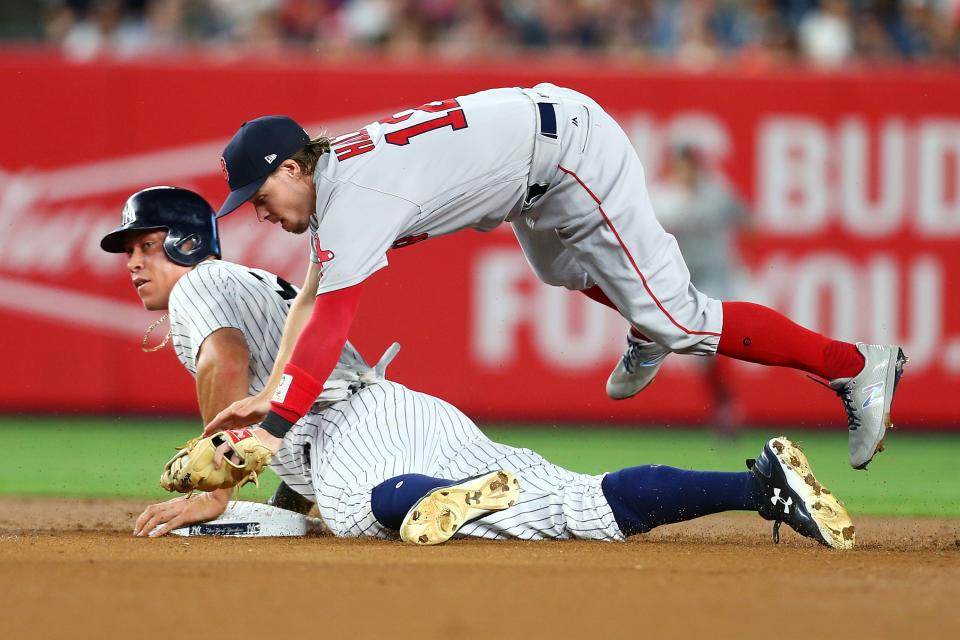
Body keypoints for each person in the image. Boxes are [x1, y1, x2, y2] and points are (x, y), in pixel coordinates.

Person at [206, 83, 906, 473]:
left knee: (683, 318)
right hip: (533, 169)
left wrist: (275, 428)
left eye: (259, 196)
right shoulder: (335, 182)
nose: (258, 212)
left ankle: (855, 366)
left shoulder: (355, 195)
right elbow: (312, 299)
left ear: (291, 167)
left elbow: (330, 322)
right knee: (557, 268)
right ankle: (645, 320)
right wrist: (268, 397)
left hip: (568, 152)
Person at [107, 186, 854, 548]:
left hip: (351, 431)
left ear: (181, 241)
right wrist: (281, 501)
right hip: (406, 414)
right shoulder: (248, 283)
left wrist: (220, 476)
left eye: (143, 244)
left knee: (369, 510)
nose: (132, 261)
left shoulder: (202, 284)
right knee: (576, 506)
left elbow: (225, 358)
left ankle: (447, 493)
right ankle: (761, 485)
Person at [649, 143, 750, 436]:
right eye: (680, 165)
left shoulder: (716, 192)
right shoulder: (661, 198)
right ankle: (725, 403)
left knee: (716, 341)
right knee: (702, 355)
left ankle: (727, 408)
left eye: (689, 164)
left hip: (717, 276)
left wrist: (749, 260)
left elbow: (746, 220)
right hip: (684, 282)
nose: (685, 171)